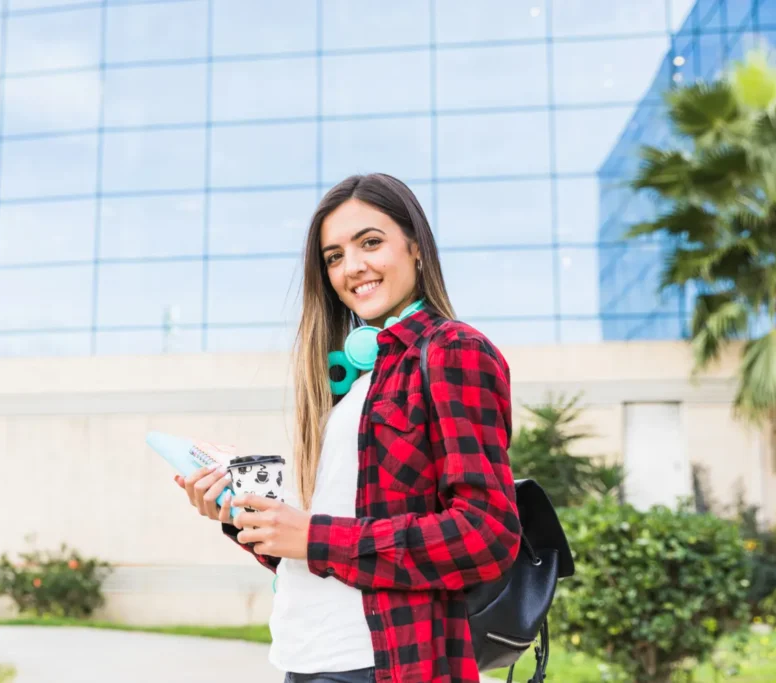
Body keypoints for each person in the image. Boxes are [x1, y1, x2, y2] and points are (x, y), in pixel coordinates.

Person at [175, 173, 521, 683]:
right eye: (334, 256)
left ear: (417, 248)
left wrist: (313, 536)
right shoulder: (354, 385)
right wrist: (246, 518)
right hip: (305, 657)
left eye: (371, 243)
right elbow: (330, 551)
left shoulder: (452, 351)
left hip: (384, 664)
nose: (352, 267)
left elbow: (486, 534)